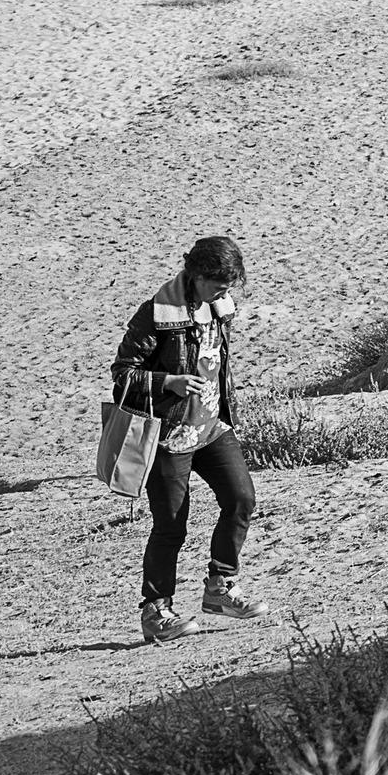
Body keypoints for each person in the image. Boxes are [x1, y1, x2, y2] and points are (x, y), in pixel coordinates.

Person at [110, 236, 269, 643]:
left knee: (241, 499)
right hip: (167, 437)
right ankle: (156, 612)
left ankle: (220, 588)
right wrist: (170, 382)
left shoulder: (219, 307)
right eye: (218, 284)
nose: (225, 292)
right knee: (170, 527)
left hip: (213, 427)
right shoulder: (154, 315)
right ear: (195, 275)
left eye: (229, 285)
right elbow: (122, 376)